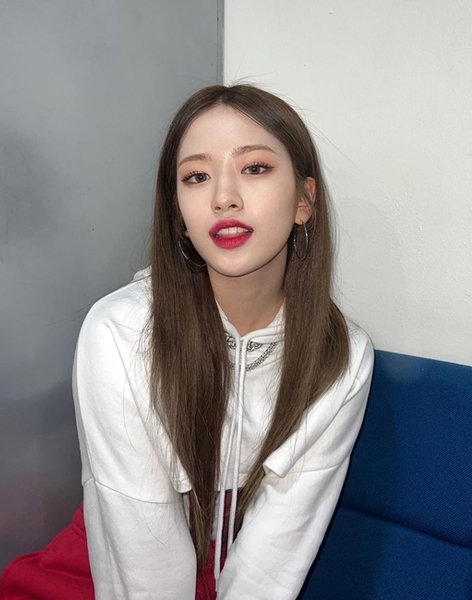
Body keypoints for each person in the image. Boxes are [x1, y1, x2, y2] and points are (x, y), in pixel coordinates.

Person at [72, 84, 374, 599]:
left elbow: (277, 555)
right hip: (111, 569)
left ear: (304, 201)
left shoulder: (339, 357)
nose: (223, 197)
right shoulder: (119, 334)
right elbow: (142, 552)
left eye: (254, 167)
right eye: (197, 176)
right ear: (179, 214)